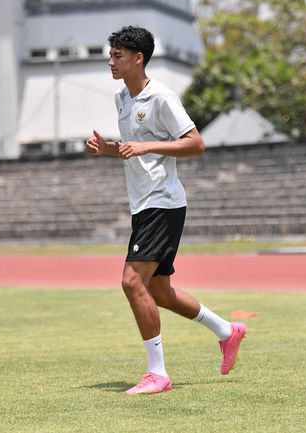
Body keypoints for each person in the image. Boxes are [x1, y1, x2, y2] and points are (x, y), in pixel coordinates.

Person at [85, 26, 247, 395]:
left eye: (118, 56)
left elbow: (196, 143)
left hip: (163, 201)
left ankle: (158, 373)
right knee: (160, 292)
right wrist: (107, 148)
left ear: (138, 58)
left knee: (131, 282)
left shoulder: (162, 97)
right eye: (110, 55)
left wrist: (147, 148)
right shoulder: (122, 99)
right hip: (143, 204)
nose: (111, 62)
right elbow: (132, 147)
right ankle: (227, 330)